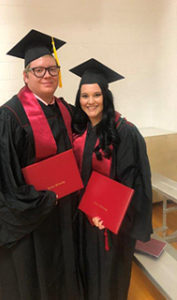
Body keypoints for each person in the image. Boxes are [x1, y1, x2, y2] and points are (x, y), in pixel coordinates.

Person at [0, 29, 82, 300]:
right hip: (31, 222)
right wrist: (42, 201)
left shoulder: (65, 110)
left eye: (52, 69)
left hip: (63, 214)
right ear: (25, 75)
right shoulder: (4, 120)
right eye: (38, 70)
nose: (47, 75)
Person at [70, 58, 153, 300]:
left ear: (106, 96)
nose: (90, 101)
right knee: (86, 272)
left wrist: (106, 214)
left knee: (109, 278)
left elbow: (132, 181)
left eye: (96, 95)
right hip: (83, 220)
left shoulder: (125, 132)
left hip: (111, 225)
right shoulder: (79, 132)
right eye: (85, 96)